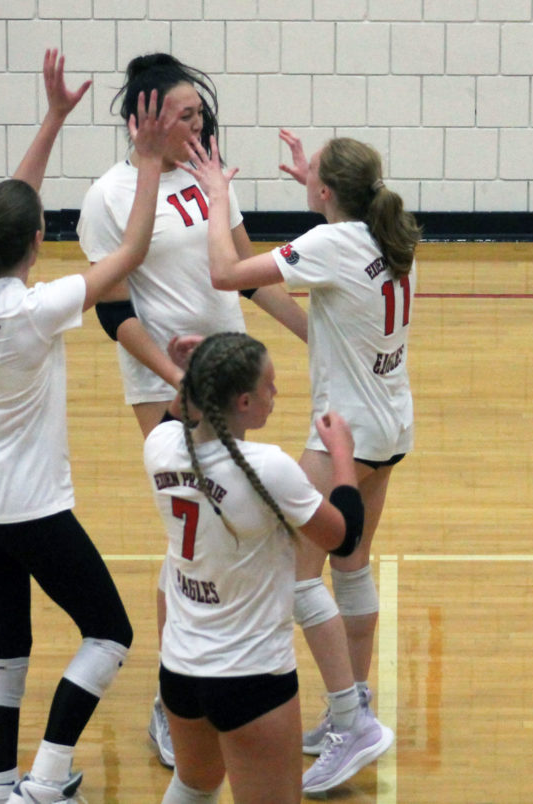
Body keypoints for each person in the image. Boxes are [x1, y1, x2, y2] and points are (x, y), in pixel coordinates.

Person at [0, 50, 176, 804]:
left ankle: (4, 793)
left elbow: (6, 209)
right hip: (31, 512)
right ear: (37, 243)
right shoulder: (31, 312)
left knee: (6, 651)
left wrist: (56, 117)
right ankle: (44, 776)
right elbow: (128, 254)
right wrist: (149, 160)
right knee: (109, 636)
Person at [77, 53, 309, 769]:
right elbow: (113, 313)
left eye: (199, 112)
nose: (197, 122)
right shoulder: (109, 197)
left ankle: (216, 673)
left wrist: (316, 335)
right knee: (191, 534)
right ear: (141, 120)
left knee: (232, 529)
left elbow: (245, 274)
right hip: (166, 382)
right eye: (184, 113)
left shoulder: (209, 180)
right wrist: (178, 376)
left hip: (229, 373)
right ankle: (171, 697)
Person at [178, 129, 419, 793]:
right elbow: (312, 320)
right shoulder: (391, 236)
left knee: (298, 576)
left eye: (312, 174)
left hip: (346, 430)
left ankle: (350, 718)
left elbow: (226, 274)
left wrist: (219, 198)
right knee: (352, 565)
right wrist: (313, 192)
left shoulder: (330, 246)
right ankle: (356, 706)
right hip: (391, 424)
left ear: (328, 191)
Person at [144, 332, 366, 804]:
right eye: (269, 386)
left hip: (180, 674)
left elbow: (177, 415)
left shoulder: (159, 446)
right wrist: (343, 456)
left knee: (193, 787)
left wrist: (198, 371)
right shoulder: (267, 468)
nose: (276, 394)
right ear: (243, 401)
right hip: (252, 680)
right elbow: (344, 536)